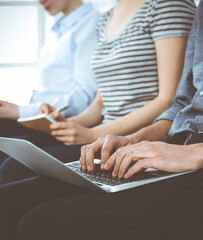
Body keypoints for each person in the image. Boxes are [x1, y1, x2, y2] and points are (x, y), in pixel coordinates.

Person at [0, 1, 200, 239]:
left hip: (182, 150)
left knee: (36, 214)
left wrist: (94, 134)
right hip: (159, 137)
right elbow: (179, 104)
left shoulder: (168, 6)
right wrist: (128, 138)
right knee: (9, 199)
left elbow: (165, 100)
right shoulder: (106, 19)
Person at [0, 0, 100, 137]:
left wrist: (20, 111)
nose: (40, 1)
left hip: (63, 122)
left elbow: (84, 96)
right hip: (41, 116)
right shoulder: (59, 29)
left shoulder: (93, 24)